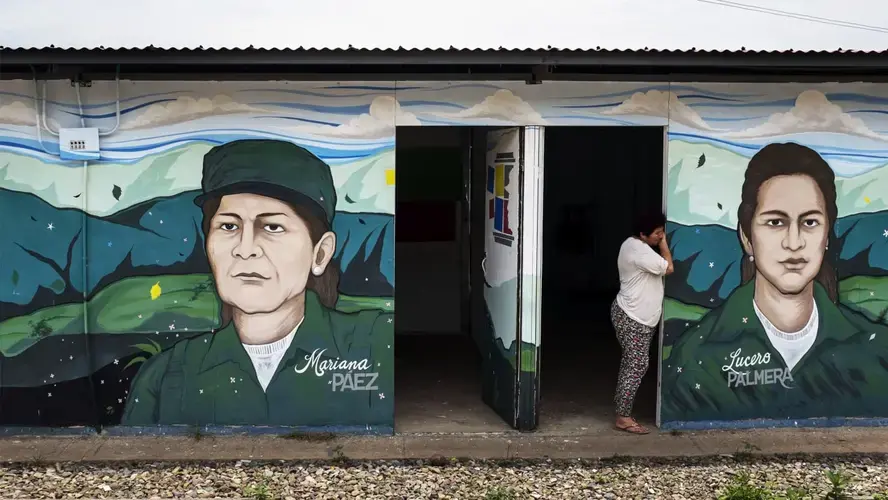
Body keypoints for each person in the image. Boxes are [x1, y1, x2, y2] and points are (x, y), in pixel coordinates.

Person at [122, 139, 393, 426]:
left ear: (320, 253)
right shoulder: (165, 378)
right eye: (229, 226)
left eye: (272, 227)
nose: (245, 247)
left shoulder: (376, 345)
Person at [662, 142, 888, 423]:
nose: (794, 243)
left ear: (827, 235)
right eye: (775, 222)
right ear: (746, 237)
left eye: (810, 223)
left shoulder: (876, 349)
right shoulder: (697, 357)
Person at [612, 211, 674, 434]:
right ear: (642, 234)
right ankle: (623, 417)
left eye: (662, 232)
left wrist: (658, 238)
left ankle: (623, 411)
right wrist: (664, 244)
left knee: (632, 363)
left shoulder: (634, 245)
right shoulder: (639, 250)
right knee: (637, 364)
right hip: (633, 317)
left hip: (635, 315)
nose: (661, 236)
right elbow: (668, 268)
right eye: (657, 233)